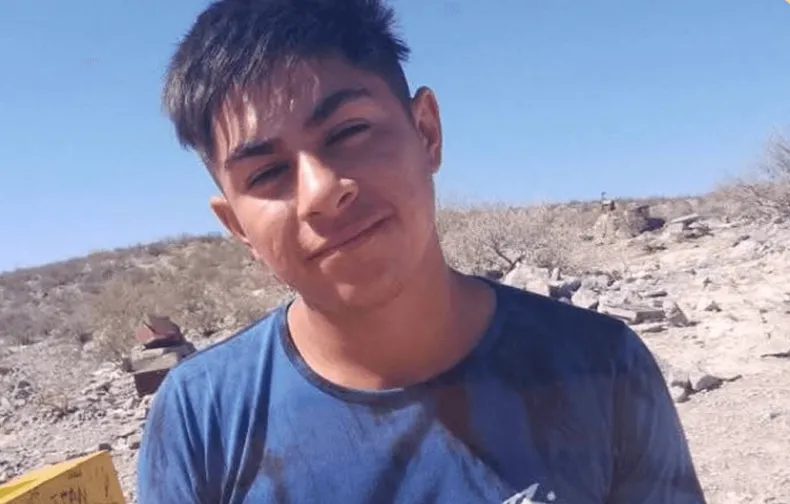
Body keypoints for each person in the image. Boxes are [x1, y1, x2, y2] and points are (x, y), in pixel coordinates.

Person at [137, 0, 707, 502]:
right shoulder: (201, 419)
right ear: (237, 227)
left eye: (347, 133)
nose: (321, 192)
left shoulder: (602, 368)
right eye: (266, 173)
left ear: (426, 133)